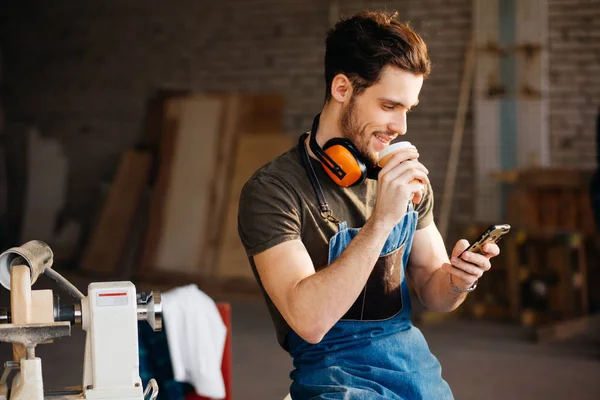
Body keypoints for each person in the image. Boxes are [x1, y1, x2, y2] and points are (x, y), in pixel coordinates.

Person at [238, 10, 500, 399]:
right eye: (389, 106)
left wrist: (460, 279)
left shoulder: (405, 178)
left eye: (407, 109)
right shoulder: (274, 190)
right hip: (335, 379)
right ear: (342, 88)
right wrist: (382, 221)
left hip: (415, 371)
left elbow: (433, 289)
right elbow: (310, 322)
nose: (401, 127)